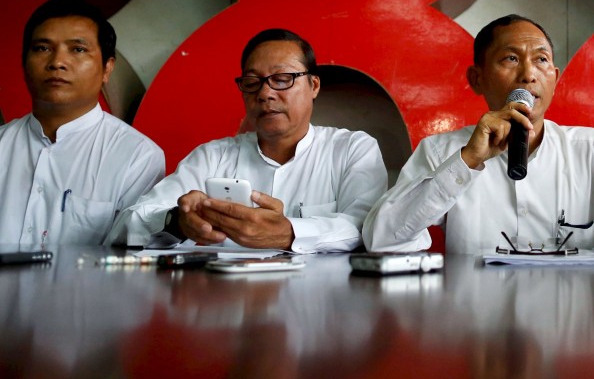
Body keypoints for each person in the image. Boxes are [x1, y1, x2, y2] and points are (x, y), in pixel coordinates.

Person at [363, 14, 594, 255]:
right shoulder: (441, 150)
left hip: (568, 329)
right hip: (475, 331)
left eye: (541, 60)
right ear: (477, 79)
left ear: (554, 78)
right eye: (511, 59)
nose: (528, 74)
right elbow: (381, 238)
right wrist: (467, 161)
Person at [108, 29, 387, 252]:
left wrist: (288, 232)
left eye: (282, 79)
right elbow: (127, 223)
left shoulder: (351, 149)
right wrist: (177, 222)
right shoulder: (212, 157)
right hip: (227, 308)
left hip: (319, 310)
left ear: (313, 85)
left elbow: (367, 227)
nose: (265, 94)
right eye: (252, 82)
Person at [0, 0, 164, 245]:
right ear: (24, 64)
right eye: (42, 48)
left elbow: (131, 256)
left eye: (77, 49)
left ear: (108, 68)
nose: (57, 62)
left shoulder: (137, 156)